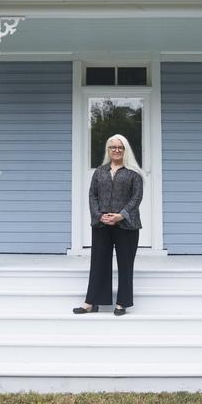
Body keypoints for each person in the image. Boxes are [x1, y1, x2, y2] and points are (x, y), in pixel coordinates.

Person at [74, 133, 144, 316]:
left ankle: (122, 303)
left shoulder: (134, 173)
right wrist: (99, 216)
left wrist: (121, 215)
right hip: (102, 224)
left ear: (125, 150)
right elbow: (92, 195)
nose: (116, 150)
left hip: (127, 226)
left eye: (120, 147)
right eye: (113, 147)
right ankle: (91, 302)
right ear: (108, 150)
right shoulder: (100, 172)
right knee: (98, 263)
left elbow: (136, 198)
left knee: (125, 263)